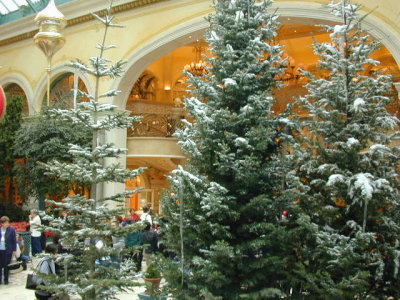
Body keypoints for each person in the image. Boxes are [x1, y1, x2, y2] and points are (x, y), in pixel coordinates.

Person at [0, 216, 17, 284]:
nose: (7, 224)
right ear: (2, 223)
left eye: (8, 222)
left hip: (8, 250)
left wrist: (14, 249)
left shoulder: (11, 230)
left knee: (7, 265)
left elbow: (14, 240)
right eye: (5, 223)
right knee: (0, 265)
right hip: (0, 250)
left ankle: (6, 279)